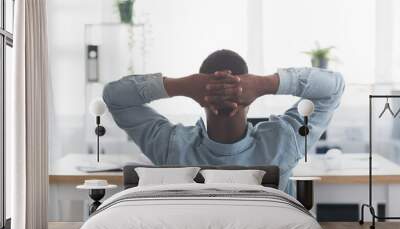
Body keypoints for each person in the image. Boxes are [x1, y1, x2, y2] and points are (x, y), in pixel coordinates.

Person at [103, 49, 344, 195]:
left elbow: (114, 97)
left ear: (201, 99)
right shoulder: (283, 141)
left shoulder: (172, 146)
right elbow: (334, 87)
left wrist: (181, 85)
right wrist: (265, 83)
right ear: (249, 100)